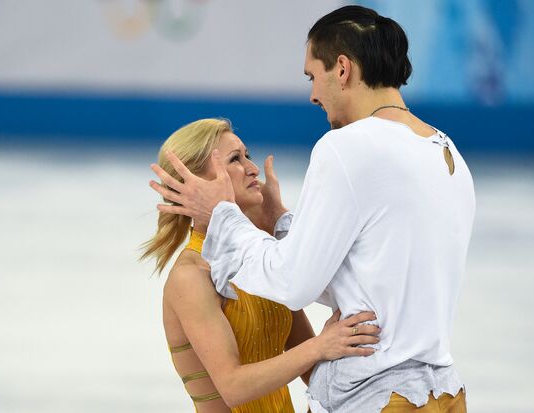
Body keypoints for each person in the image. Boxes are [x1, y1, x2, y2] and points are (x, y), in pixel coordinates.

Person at [149, 5, 475, 412]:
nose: (312, 95)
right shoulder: (447, 153)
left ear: (342, 69)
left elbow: (294, 282)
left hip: (380, 396)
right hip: (442, 393)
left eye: (312, 76)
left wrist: (227, 218)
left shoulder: (348, 147)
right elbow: (341, 269)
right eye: (236, 159)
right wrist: (281, 226)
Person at [143, 118, 381, 413]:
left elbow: (311, 372)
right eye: (235, 160)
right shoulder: (190, 276)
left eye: (247, 155)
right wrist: (320, 346)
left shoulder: (256, 258)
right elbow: (233, 387)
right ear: (197, 183)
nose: (253, 168)